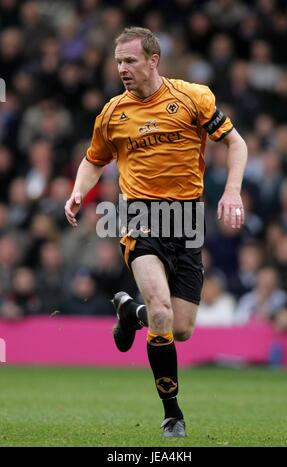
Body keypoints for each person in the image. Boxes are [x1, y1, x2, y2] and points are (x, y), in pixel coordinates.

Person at [65, 27, 247, 438]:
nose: (122, 69)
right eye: (118, 62)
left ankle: (131, 312)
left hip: (186, 221)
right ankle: (172, 414)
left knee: (179, 328)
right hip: (140, 218)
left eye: (130, 61)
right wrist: (79, 190)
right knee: (163, 312)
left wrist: (232, 190)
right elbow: (94, 159)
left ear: (153, 60)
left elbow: (237, 144)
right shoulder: (113, 113)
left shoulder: (192, 98)